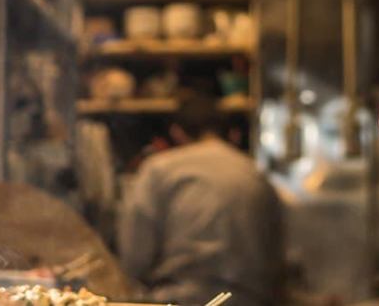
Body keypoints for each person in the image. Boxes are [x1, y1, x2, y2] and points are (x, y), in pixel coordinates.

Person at [117, 90, 283, 306]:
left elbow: (135, 256)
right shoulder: (253, 172)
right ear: (230, 132)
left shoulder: (160, 169)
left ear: (177, 132)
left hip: (178, 298)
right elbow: (278, 256)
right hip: (250, 300)